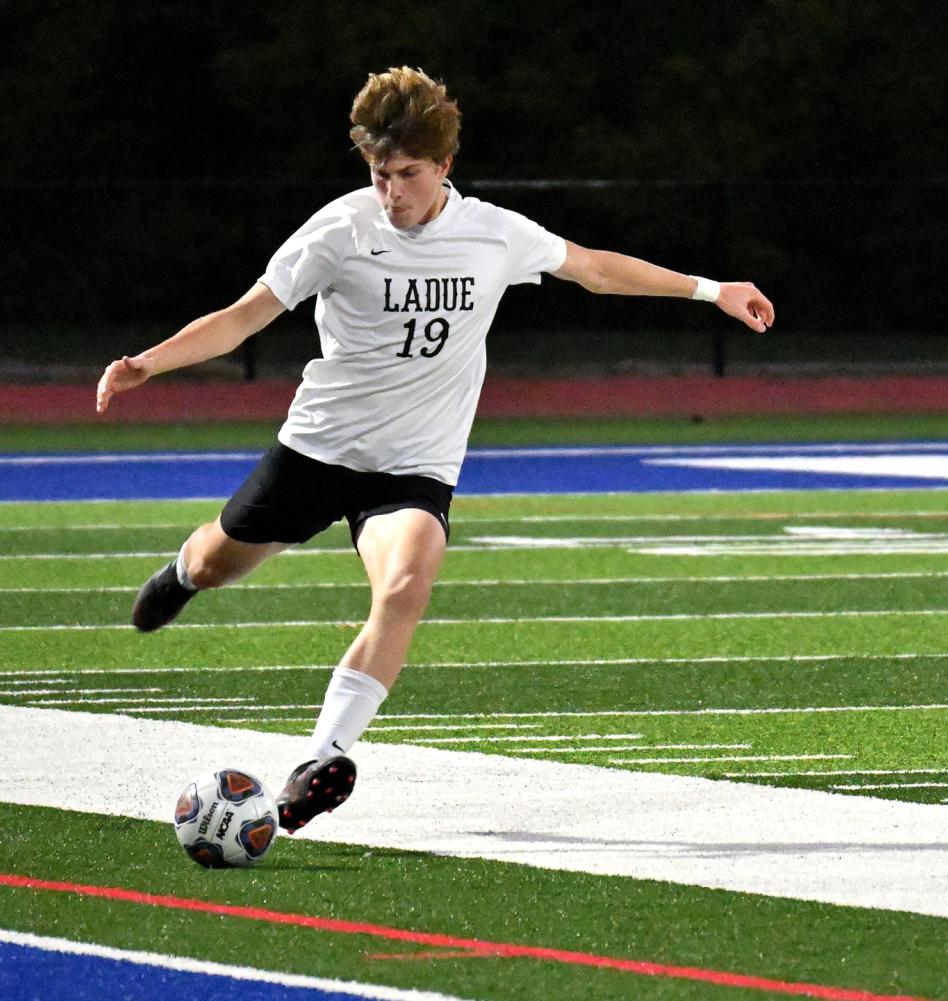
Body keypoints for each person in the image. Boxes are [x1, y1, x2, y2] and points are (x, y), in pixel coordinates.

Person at [95, 66, 775, 834]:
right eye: (380, 175)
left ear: (444, 167)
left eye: (408, 175)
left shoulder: (493, 233)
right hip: (318, 451)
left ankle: (321, 756)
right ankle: (183, 572)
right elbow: (244, 317)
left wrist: (708, 288)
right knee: (218, 562)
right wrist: (149, 361)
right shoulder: (339, 230)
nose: (392, 193)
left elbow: (591, 268)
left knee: (407, 584)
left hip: (414, 466)